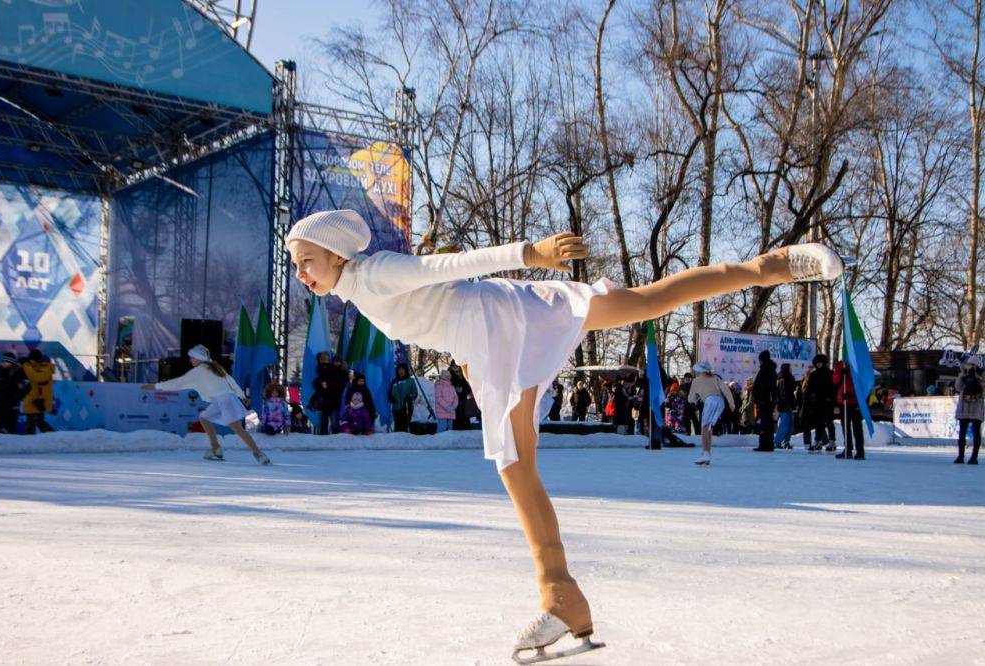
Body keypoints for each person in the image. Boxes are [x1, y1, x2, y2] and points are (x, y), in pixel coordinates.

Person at [285, 207, 843, 657]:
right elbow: (440, 282)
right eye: (296, 264)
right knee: (518, 461)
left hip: (501, 321)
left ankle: (775, 264)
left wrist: (532, 254)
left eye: (307, 260)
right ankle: (562, 595)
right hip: (490, 331)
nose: (302, 272)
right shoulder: (356, 285)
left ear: (336, 252)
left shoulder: (374, 272)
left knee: (638, 310)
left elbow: (446, 270)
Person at [147, 345, 270, 465]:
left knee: (238, 429)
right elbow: (231, 381)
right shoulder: (215, 367)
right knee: (204, 418)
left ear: (199, 358)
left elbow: (178, 383)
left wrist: (156, 386)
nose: (190, 360)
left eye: (193, 357)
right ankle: (216, 448)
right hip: (221, 400)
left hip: (225, 400)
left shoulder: (200, 371)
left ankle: (258, 453)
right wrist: (242, 396)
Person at [688, 361, 736, 466]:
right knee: (709, 428)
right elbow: (726, 390)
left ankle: (705, 453)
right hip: (720, 402)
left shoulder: (696, 381)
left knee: (704, 428)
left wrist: (697, 398)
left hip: (710, 402)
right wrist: (731, 403)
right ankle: (707, 452)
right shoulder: (715, 378)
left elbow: (690, 398)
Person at [799, 354, 835, 452]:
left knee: (829, 422)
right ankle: (818, 441)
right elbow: (809, 388)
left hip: (827, 402)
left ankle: (832, 441)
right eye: (817, 363)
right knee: (818, 423)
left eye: (821, 363)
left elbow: (833, 388)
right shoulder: (813, 375)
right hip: (817, 402)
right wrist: (811, 397)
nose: (819, 365)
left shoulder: (830, 373)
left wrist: (832, 400)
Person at [832, 361, 865, 460]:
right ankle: (848, 449)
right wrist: (840, 373)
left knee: (857, 427)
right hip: (844, 401)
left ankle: (860, 450)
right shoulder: (841, 365)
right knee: (845, 427)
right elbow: (835, 381)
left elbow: (862, 382)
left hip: (855, 401)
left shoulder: (857, 363)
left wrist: (853, 394)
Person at [954, 357, 983, 464]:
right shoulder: (966, 374)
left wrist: (976, 377)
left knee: (969, 432)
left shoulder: (980, 375)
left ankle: (969, 457)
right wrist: (963, 375)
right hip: (970, 408)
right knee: (970, 433)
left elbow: (958, 387)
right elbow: (958, 387)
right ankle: (966, 457)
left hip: (971, 407)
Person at [0, 352, 27, 434]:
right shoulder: (0, 374)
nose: (3, 363)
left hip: (10, 413)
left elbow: (22, 391)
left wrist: (12, 402)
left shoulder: (17, 375)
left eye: (6, 361)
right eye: (3, 361)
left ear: (11, 363)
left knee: (9, 436)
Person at [22, 349, 56, 434]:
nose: (31, 363)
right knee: (37, 422)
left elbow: (37, 378)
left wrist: (26, 366)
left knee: (34, 423)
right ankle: (52, 437)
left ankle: (52, 437)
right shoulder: (38, 369)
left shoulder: (46, 370)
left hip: (39, 401)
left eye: (32, 360)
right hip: (36, 401)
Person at [752, 350, 778, 452]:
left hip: (765, 400)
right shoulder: (770, 370)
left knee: (764, 423)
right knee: (767, 423)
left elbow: (764, 386)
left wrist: (760, 398)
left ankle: (764, 444)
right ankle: (768, 444)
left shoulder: (766, 370)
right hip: (767, 400)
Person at [389, 365, 419, 432]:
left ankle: (406, 440)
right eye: (399, 370)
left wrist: (409, 397)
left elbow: (415, 393)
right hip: (396, 407)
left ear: (406, 370)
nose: (401, 371)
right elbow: (389, 393)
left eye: (402, 369)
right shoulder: (394, 381)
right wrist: (390, 397)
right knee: (397, 427)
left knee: (405, 426)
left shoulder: (410, 380)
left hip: (407, 407)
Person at [774, 363, 797, 449]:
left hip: (788, 405)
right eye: (790, 368)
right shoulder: (783, 379)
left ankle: (786, 442)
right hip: (785, 406)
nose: (791, 370)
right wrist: (788, 405)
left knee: (790, 425)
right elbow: (783, 394)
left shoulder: (789, 378)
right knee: (784, 425)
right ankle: (777, 441)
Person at [449, 362, 474, 430]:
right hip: (453, 399)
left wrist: (463, 389)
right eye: (453, 366)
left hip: (463, 399)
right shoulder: (450, 375)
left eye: (456, 366)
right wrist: (455, 389)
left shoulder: (464, 374)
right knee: (456, 416)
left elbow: (468, 386)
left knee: (464, 414)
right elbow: (447, 387)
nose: (455, 367)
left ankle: (466, 428)